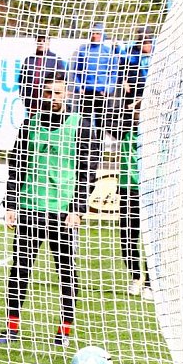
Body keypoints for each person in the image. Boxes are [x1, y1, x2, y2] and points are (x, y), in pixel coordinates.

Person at [0, 75, 101, 347]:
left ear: (67, 95)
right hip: (30, 207)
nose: (53, 98)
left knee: (66, 271)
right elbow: (16, 164)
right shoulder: (30, 124)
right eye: (48, 93)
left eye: (58, 93)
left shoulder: (81, 125)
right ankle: (12, 328)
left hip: (62, 211)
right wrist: (11, 203)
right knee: (20, 269)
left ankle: (64, 331)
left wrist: (78, 208)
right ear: (40, 95)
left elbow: (87, 170)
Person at [71, 22, 122, 142]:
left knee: (102, 123)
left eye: (97, 33)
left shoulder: (108, 52)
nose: (94, 35)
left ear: (102, 35)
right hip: (87, 93)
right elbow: (77, 71)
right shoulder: (84, 51)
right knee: (85, 122)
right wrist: (80, 87)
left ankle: (99, 151)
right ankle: (85, 147)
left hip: (102, 94)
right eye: (93, 33)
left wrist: (108, 89)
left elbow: (114, 72)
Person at [117, 129, 152, 300]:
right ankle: (136, 277)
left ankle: (150, 284)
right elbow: (105, 118)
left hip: (153, 190)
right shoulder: (124, 129)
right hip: (128, 190)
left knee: (151, 241)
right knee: (127, 238)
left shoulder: (159, 132)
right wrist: (132, 106)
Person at [17, 34, 66, 118]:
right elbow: (22, 80)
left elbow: (63, 80)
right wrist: (24, 97)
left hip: (48, 99)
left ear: (48, 43)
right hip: (32, 100)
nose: (41, 43)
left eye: (44, 41)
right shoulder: (29, 60)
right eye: (39, 41)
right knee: (33, 122)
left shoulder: (55, 59)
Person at [118, 26, 154, 138]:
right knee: (132, 115)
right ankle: (131, 140)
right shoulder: (131, 51)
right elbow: (121, 67)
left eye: (147, 41)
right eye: (142, 40)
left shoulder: (159, 50)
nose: (145, 44)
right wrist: (123, 81)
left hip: (152, 89)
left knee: (149, 116)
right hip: (134, 89)